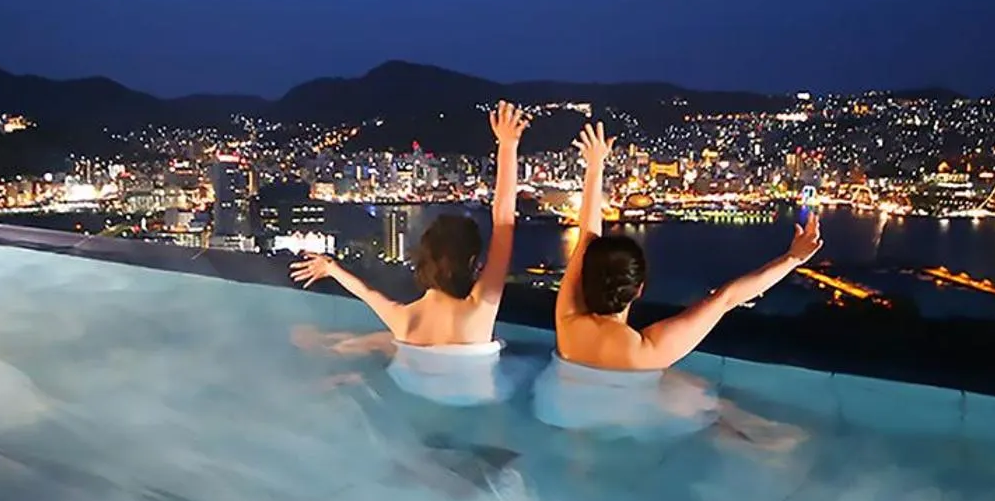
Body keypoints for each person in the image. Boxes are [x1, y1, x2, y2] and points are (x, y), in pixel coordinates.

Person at [557, 121, 822, 369]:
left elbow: (587, 237)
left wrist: (594, 166)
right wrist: (793, 258)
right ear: (639, 289)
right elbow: (726, 298)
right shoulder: (646, 354)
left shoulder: (566, 325)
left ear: (585, 280)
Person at [291, 100, 530, 347]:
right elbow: (504, 221)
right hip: (467, 376)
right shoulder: (479, 311)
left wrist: (331, 268)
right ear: (472, 263)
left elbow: (368, 294)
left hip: (406, 372)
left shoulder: (403, 320)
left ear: (424, 259)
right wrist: (508, 145)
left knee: (369, 343)